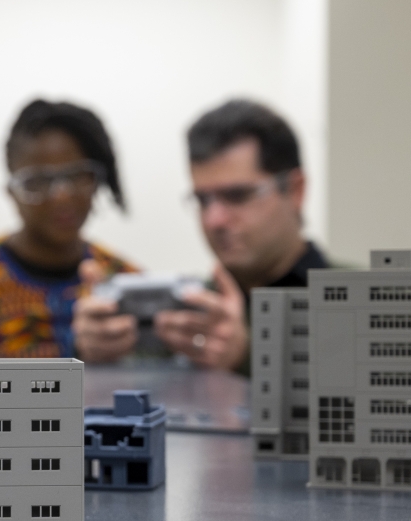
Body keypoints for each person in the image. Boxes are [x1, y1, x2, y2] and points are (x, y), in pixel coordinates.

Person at [73, 98, 329, 372]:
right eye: (202, 200)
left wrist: (247, 357)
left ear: (295, 191)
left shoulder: (364, 302)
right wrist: (98, 351)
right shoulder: (189, 313)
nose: (214, 220)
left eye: (237, 195)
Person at [0, 99, 140, 361]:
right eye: (39, 180)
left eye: (77, 175)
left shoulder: (124, 283)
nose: (62, 196)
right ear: (11, 192)